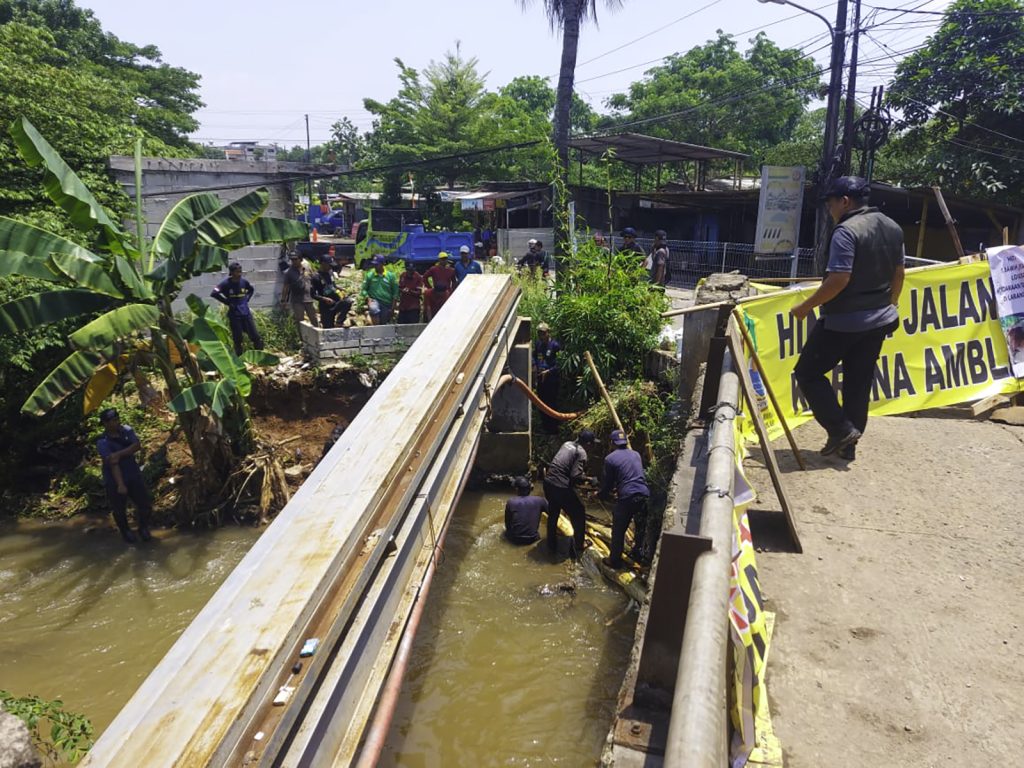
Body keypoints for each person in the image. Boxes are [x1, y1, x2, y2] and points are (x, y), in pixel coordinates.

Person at [792, 176, 905, 461]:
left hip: (844, 321)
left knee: (808, 373)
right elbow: (899, 273)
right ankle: (849, 446)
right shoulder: (892, 227)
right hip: (879, 320)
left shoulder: (846, 231)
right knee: (858, 381)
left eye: (831, 204)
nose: (830, 210)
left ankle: (840, 429)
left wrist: (806, 306)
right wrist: (889, 305)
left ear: (844, 201)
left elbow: (839, 279)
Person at [96, 408, 152, 544]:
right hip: (114, 480)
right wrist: (120, 484)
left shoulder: (126, 430)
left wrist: (119, 454)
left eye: (117, 419)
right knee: (119, 509)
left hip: (133, 474)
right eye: (113, 421)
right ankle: (126, 531)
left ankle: (143, 528)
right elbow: (113, 463)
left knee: (145, 505)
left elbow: (137, 445)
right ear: (105, 423)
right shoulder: (102, 442)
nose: (116, 423)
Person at [598, 429, 651, 568]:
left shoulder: (610, 459)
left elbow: (608, 484)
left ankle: (614, 560)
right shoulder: (636, 454)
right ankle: (638, 554)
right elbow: (631, 475)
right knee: (640, 527)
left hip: (627, 497)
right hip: (644, 494)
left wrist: (600, 495)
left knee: (618, 529)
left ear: (612, 443)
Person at [543, 430, 596, 558]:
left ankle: (551, 544)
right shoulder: (581, 452)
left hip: (548, 482)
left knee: (554, 513)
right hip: (560, 486)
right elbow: (575, 476)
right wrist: (590, 479)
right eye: (591, 444)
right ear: (588, 443)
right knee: (579, 511)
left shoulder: (567, 444)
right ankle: (579, 544)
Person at [211, 262, 263, 356]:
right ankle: (239, 359)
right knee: (238, 339)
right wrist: (227, 302)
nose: (239, 274)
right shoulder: (226, 283)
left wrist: (247, 298)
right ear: (231, 272)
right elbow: (214, 293)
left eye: (240, 272)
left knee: (256, 337)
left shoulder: (244, 282)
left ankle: (260, 356)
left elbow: (251, 290)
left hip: (246, 314)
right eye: (237, 272)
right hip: (235, 315)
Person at [533, 322, 562, 435]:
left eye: (543, 333)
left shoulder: (555, 346)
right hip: (541, 379)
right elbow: (534, 356)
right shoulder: (539, 344)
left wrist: (549, 371)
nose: (541, 336)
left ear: (548, 332)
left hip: (551, 381)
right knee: (541, 403)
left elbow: (560, 363)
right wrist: (534, 366)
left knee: (551, 404)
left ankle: (553, 430)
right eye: (539, 333)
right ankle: (545, 428)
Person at [504, 476, 548, 545]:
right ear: (530, 489)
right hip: (533, 539)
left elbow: (507, 524)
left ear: (517, 489)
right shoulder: (540, 500)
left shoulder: (511, 502)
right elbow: (552, 513)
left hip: (515, 539)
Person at [311, 257, 352, 329]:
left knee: (348, 301)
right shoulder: (316, 277)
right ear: (323, 264)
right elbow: (313, 294)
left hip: (336, 302)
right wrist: (324, 299)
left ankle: (339, 322)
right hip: (325, 307)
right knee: (328, 329)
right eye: (329, 265)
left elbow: (333, 285)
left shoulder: (330, 273)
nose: (330, 267)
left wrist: (340, 289)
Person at [281, 251, 317, 325]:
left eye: (295, 259)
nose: (293, 261)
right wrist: (283, 300)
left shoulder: (307, 268)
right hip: (297, 301)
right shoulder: (289, 272)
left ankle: (316, 336)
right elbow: (286, 287)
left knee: (314, 319)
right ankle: (302, 336)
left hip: (309, 299)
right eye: (292, 260)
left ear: (300, 259)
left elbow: (314, 278)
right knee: (300, 321)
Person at [361, 255, 399, 325]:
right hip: (374, 300)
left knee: (383, 323)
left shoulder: (390, 276)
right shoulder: (370, 275)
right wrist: (368, 298)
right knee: (374, 309)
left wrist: (393, 307)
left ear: (382, 264)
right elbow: (364, 289)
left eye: (377, 264)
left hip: (386, 303)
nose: (375, 266)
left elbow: (395, 292)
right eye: (374, 264)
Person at [424, 251, 456, 320]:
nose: (444, 261)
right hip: (436, 293)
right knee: (434, 311)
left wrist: (451, 291)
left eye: (445, 259)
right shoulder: (434, 269)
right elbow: (425, 277)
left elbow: (454, 282)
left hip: (446, 294)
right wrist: (430, 288)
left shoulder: (451, 270)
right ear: (439, 260)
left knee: (446, 312)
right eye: (442, 259)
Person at [397, 259, 425, 324]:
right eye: (408, 270)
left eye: (411, 270)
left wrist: (410, 291)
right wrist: (402, 290)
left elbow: (419, 293)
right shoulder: (403, 275)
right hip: (403, 307)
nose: (410, 272)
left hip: (413, 308)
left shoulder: (418, 277)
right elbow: (400, 288)